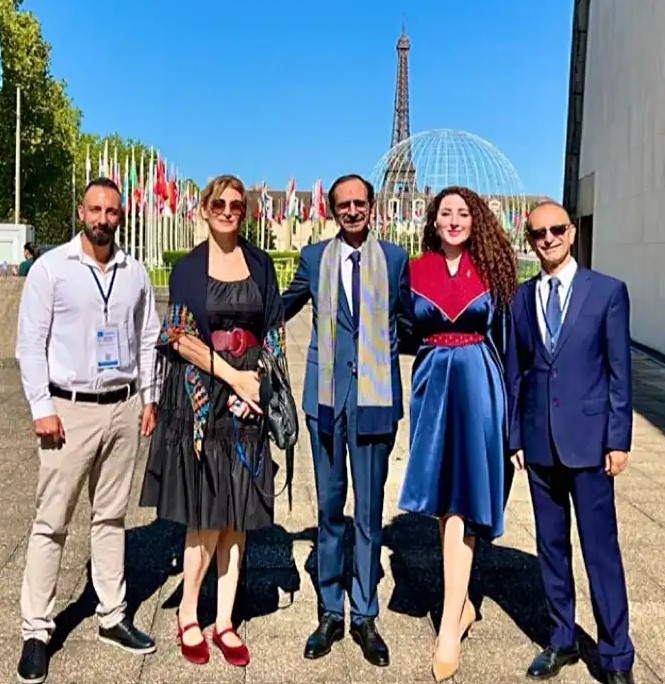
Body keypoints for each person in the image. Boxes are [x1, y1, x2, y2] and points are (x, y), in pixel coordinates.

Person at [15, 177, 160, 684]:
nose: (103, 219)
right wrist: (41, 408)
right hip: (68, 409)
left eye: (111, 211)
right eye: (95, 210)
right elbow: (30, 343)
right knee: (51, 520)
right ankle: (36, 630)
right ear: (82, 212)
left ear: (121, 216)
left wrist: (150, 396)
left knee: (111, 516)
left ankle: (112, 615)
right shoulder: (52, 268)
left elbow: (148, 337)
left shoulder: (134, 272)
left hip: (122, 406)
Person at [140, 175, 288, 668]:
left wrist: (257, 387)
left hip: (249, 400)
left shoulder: (261, 264)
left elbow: (273, 333)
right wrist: (234, 379)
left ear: (245, 212)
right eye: (219, 203)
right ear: (204, 209)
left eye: (236, 205)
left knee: (238, 512)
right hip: (205, 396)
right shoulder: (188, 268)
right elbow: (179, 338)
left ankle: (224, 620)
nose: (228, 211)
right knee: (206, 513)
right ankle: (188, 611)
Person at [282, 174, 412, 667]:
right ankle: (330, 612)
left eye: (360, 203)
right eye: (343, 205)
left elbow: (410, 322)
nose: (352, 211)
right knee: (329, 509)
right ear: (333, 211)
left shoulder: (395, 260)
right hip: (326, 400)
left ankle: (365, 614)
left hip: (375, 401)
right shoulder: (315, 258)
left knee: (370, 512)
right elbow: (282, 305)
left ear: (372, 206)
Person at [507, 201, 634, 684]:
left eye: (556, 229)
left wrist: (618, 439)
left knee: (601, 551)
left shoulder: (607, 292)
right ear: (529, 239)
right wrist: (515, 436)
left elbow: (620, 374)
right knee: (551, 548)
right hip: (539, 443)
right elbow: (516, 373)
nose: (548, 239)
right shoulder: (520, 299)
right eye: (538, 233)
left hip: (591, 444)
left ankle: (616, 654)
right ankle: (561, 640)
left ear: (572, 233)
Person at [399, 186, 518, 682]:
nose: (453, 220)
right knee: (444, 495)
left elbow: (510, 347)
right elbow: (401, 332)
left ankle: (449, 625)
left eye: (462, 213)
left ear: (475, 221)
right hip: (431, 385)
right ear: (433, 220)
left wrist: (515, 428)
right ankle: (462, 603)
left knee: (463, 503)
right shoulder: (415, 270)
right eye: (445, 212)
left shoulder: (493, 272)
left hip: (478, 385)